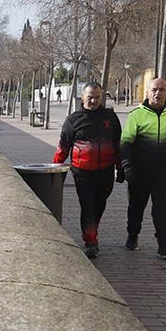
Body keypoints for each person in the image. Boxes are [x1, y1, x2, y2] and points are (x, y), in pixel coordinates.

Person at [121, 77, 166, 260]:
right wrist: (127, 168)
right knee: (136, 206)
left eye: (162, 90)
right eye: (154, 90)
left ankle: (164, 246)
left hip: (163, 171)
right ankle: (132, 235)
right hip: (139, 171)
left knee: (162, 208)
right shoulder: (136, 114)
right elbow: (126, 144)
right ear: (147, 92)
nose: (157, 93)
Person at [53, 82, 121, 257]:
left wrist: (121, 168)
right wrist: (55, 169)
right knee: (88, 205)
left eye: (97, 97)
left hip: (106, 171)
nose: (93, 100)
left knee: (100, 204)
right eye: (90, 97)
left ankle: (93, 229)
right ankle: (90, 240)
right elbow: (63, 147)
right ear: (82, 97)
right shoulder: (73, 120)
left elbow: (118, 144)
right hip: (82, 172)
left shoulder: (110, 117)